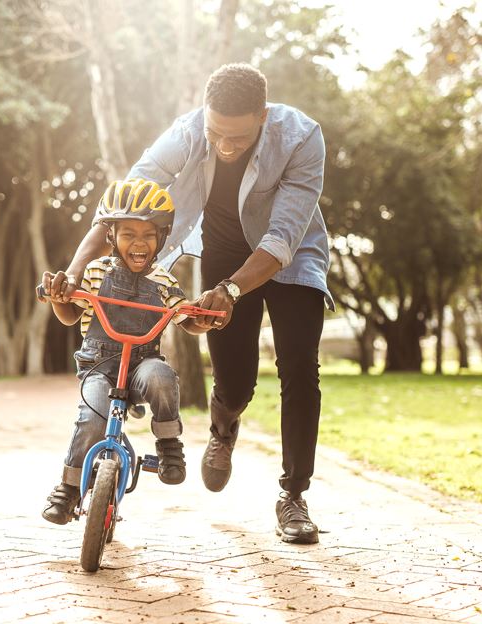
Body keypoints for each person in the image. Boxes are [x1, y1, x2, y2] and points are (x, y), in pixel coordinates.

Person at [50, 63, 332, 544]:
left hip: (291, 254)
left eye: (238, 138)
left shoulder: (302, 138)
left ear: (262, 116)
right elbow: (125, 203)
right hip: (224, 249)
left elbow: (282, 236)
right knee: (236, 381)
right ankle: (224, 425)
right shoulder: (186, 132)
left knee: (300, 366)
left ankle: (293, 495)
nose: (225, 146)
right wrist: (75, 270)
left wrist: (233, 291)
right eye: (216, 133)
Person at [40, 178, 209, 525]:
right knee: (93, 417)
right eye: (128, 233)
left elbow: (184, 317)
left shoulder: (163, 281)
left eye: (148, 235)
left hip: (141, 366)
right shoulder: (94, 271)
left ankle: (168, 445)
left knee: (162, 377)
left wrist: (202, 320)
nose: (139, 242)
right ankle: (69, 489)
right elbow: (71, 314)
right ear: (111, 237)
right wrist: (59, 299)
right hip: (99, 366)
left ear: (161, 239)